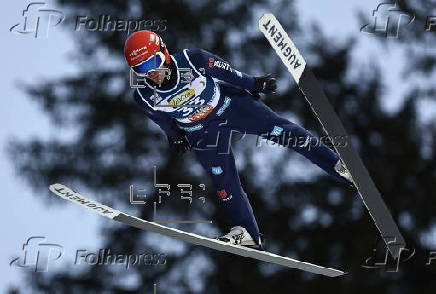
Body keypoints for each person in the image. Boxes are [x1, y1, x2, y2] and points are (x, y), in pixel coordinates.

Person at [124, 30, 353, 250]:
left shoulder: (191, 60)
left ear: (163, 52)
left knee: (282, 131)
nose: (150, 72)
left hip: (229, 107)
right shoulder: (143, 95)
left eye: (152, 62)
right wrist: (174, 137)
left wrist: (253, 84)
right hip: (200, 132)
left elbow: (227, 72)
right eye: (141, 68)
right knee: (222, 179)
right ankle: (246, 234)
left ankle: (336, 165)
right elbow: (161, 119)